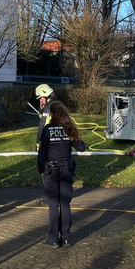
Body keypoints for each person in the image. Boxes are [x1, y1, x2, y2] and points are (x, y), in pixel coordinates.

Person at [37, 100, 85, 248]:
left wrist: (40, 168)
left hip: (51, 171)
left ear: (52, 114)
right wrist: (73, 133)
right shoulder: (68, 129)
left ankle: (53, 239)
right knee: (65, 204)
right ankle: (66, 238)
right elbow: (81, 147)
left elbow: (42, 152)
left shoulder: (47, 130)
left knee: (53, 204)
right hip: (67, 170)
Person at [35, 84, 57, 204]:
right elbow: (42, 120)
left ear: (45, 96)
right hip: (47, 145)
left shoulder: (52, 108)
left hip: (48, 147)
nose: (40, 100)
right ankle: (49, 196)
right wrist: (41, 109)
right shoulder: (50, 107)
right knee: (47, 173)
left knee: (48, 173)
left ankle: (50, 197)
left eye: (40, 98)